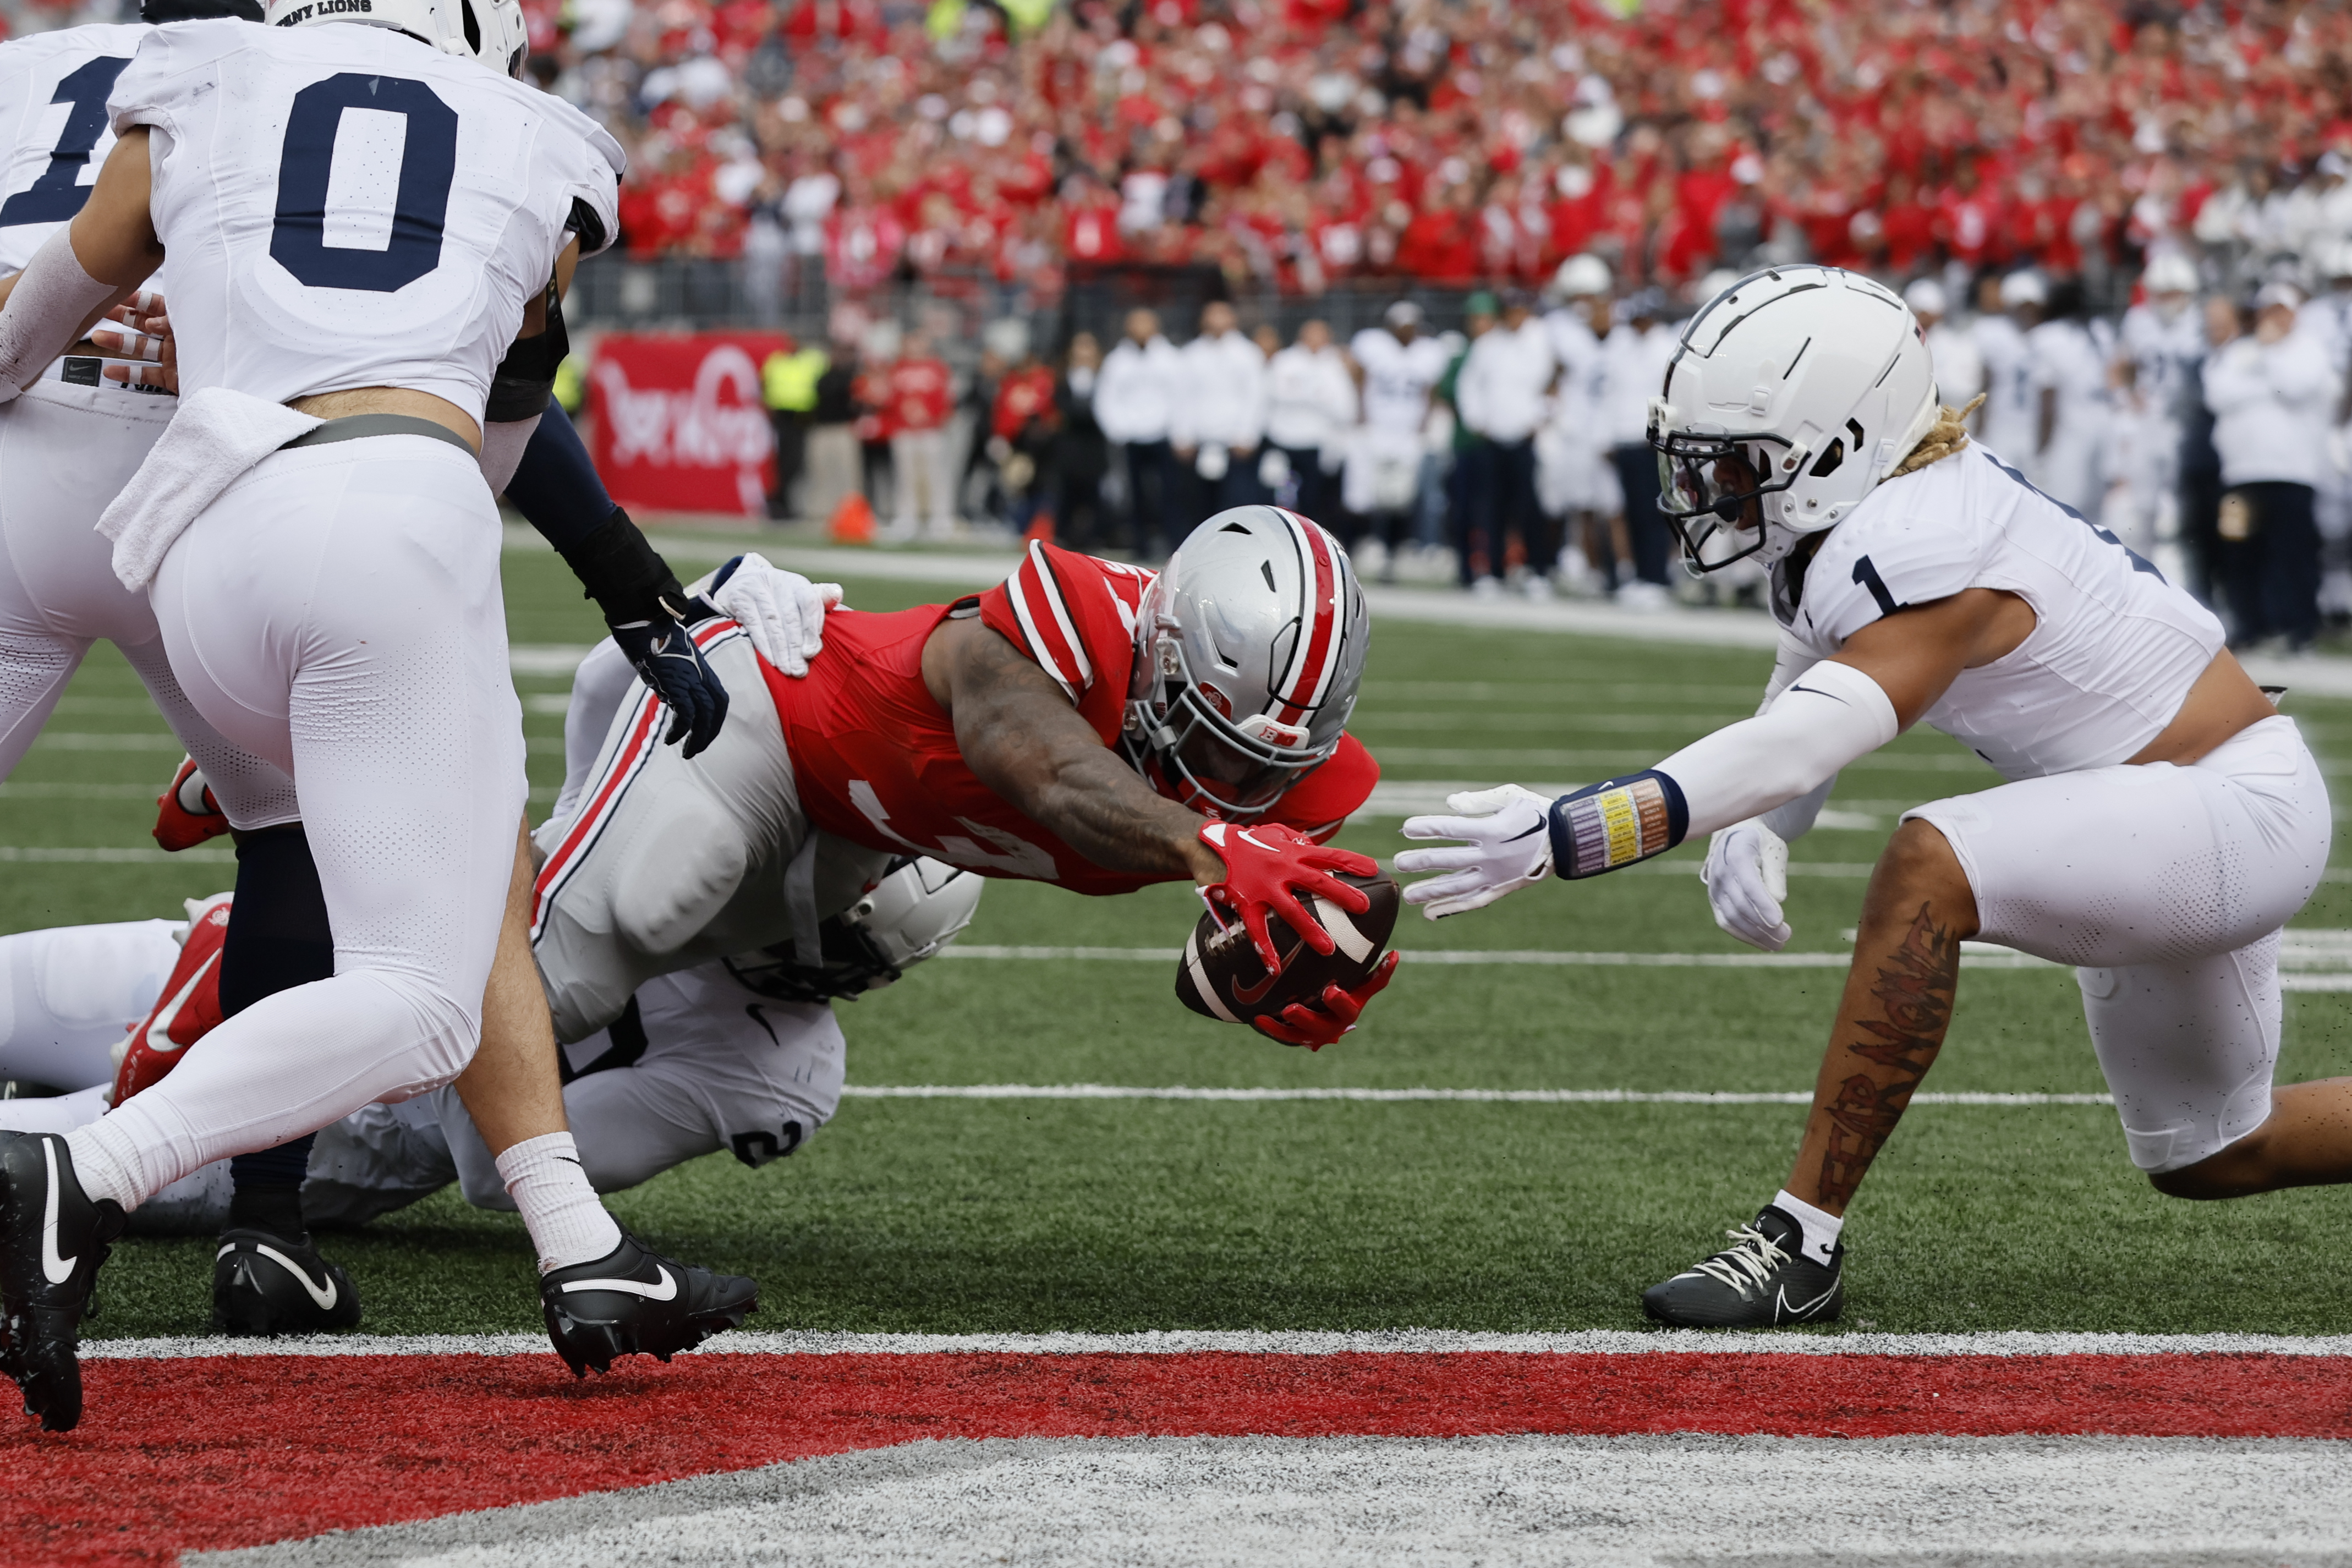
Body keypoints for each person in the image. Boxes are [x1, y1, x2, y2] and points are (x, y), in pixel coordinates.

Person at [0, 0, 745, 1430]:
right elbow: (502, 427)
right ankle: (131, 1186)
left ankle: (580, 1240)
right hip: (355, 502)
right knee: (435, 942)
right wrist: (626, 582)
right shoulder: (541, 146)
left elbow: (36, 320)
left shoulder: (201, 78)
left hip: (191, 499)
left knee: (428, 838)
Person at [1395, 265, 2341, 1329]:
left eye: (1739, 463)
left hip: (2231, 807)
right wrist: (1759, 824)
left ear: (1839, 444)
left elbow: (1811, 737)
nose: (1711, 491)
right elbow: (1811, 671)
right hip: (2180, 803)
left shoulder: (1927, 542)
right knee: (2215, 1152)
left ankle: (1800, 1243)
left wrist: (1574, 831)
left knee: (1931, 863)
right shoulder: (1878, 504)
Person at [532, 511, 1399, 1057]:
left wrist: (1287, 978)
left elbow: (1226, 946)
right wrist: (1203, 843)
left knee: (656, 1011)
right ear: (1161, 659)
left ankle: (403, 1151)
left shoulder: (1295, 781)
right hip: (768, 703)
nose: (1236, 786)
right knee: (607, 938)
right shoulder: (1077, 611)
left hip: (860, 828)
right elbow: (1043, 766)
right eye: (1217, 750)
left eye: (1268, 768)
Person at [0, 854, 983, 1236]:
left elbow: (489, 1165)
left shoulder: (776, 1073)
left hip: (357, 1117)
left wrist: (517, 974)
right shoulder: (703, 843)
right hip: (292, 954)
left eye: (831, 940)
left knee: (32, 1163)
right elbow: (609, 675)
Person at [2203, 281, 2339, 651]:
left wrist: (2265, 361)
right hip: (2240, 475)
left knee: (2292, 554)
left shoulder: (2308, 350)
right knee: (2240, 553)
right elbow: (2218, 394)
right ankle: (2250, 628)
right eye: (2267, 310)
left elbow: (2295, 387)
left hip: (2291, 474)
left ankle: (2299, 630)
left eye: (2280, 310)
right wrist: (2263, 378)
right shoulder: (2239, 351)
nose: (2272, 318)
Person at [1455, 288, 1560, 599]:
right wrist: (1477, 421)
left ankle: (1537, 570)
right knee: (1492, 509)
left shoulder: (1541, 340)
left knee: (1530, 508)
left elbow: (1554, 383)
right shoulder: (1487, 345)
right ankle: (1494, 572)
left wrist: (1540, 418)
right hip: (1493, 437)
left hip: (1526, 436)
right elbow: (1468, 384)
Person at [1540, 255, 1627, 596]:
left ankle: (1624, 569)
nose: (1584, 304)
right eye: (1578, 296)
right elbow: (1552, 377)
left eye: (1590, 296)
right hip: (1575, 429)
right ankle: (1587, 567)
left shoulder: (1618, 332)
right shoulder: (1560, 331)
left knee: (1614, 506)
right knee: (1579, 505)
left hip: (1610, 429)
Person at [1344, 300, 1450, 580]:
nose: (1407, 332)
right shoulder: (1373, 345)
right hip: (1377, 430)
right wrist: (1360, 412)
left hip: (1407, 434)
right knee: (1366, 493)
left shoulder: (1427, 352)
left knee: (1403, 496)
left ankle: (1397, 550)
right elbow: (1356, 373)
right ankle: (1367, 545)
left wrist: (1424, 422)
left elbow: (1431, 388)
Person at [1599, 288, 1679, 604]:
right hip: (1625, 440)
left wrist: (1662, 436)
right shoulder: (1624, 347)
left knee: (1653, 512)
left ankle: (1657, 577)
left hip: (1651, 443)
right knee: (1632, 511)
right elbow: (1613, 394)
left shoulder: (1665, 347)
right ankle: (1640, 575)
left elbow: (1670, 396)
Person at [1093, 308, 1182, 556]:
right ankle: (1140, 544)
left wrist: (1176, 429)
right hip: (1132, 437)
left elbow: (1180, 397)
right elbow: (1106, 398)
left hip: (1164, 435)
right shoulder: (1117, 360)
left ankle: (1172, 541)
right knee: (1135, 494)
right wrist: (1119, 429)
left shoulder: (1170, 358)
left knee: (1169, 492)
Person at [1170, 300, 1269, 513]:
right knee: (1199, 505)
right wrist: (1182, 435)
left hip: (1236, 443)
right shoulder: (1191, 354)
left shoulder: (1248, 353)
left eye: (1221, 315)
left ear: (1233, 319)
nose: (1216, 320)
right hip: (1200, 442)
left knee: (1238, 504)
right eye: (1211, 315)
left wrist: (1247, 434)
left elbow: (1255, 397)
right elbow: (1182, 397)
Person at [2025, 276, 2109, 518]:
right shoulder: (2100, 331)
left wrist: (2040, 451)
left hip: (2068, 435)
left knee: (2061, 513)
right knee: (2097, 516)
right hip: (2104, 431)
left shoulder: (2047, 337)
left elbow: (2048, 401)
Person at [1263, 319, 1355, 534]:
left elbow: (1344, 407)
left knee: (1313, 499)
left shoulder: (1333, 364)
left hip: (1316, 443)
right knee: (1280, 497)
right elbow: (1277, 393)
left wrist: (1307, 396)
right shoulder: (1285, 360)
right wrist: (1316, 397)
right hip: (1283, 440)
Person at [884, 331, 956, 541]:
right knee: (906, 476)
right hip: (904, 429)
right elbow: (891, 398)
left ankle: (940, 517)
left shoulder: (937, 368)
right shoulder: (897, 368)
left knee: (935, 476)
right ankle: (907, 518)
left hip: (931, 430)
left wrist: (930, 416)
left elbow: (945, 399)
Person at [1976, 269, 2043, 473]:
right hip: (2001, 423)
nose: (2026, 312)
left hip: (2035, 427)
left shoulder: (2048, 336)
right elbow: (1984, 385)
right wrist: (1980, 428)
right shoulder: (1992, 332)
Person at [759, 337, 827, 522]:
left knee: (796, 463)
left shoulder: (811, 360)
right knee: (785, 463)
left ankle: (782, 502)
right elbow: (764, 383)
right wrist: (768, 404)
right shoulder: (777, 362)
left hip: (802, 417)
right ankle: (779, 503)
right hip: (782, 417)